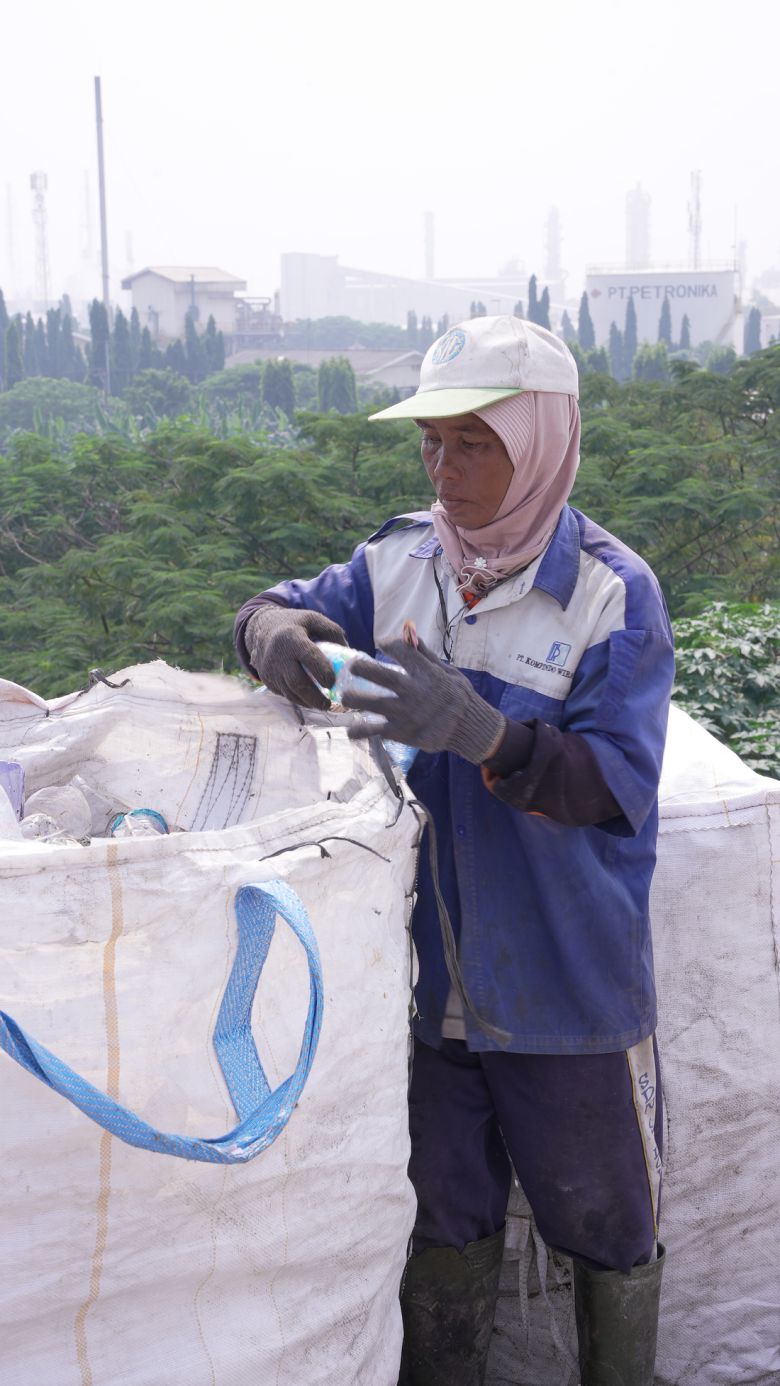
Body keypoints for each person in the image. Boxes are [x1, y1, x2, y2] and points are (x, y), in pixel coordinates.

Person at [234, 315, 674, 1386]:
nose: (446, 467)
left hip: (558, 980)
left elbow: (616, 785)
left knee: (600, 1211)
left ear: (541, 443)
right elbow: (269, 611)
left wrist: (490, 735)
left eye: (475, 443)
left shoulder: (610, 596)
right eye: (433, 442)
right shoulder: (397, 562)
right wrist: (281, 643)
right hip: (423, 977)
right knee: (444, 1209)